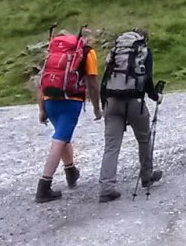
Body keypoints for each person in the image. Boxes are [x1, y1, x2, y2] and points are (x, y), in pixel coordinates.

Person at [97, 30, 165, 203]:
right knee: (144, 138)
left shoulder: (115, 52)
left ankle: (106, 188)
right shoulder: (144, 51)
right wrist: (155, 96)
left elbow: (105, 79)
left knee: (111, 146)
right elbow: (147, 79)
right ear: (144, 39)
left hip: (112, 101)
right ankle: (147, 176)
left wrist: (103, 104)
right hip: (135, 102)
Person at [35, 29, 100, 202]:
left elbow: (41, 82)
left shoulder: (53, 52)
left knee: (62, 136)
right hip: (71, 101)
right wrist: (97, 107)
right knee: (59, 139)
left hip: (49, 99)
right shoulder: (87, 52)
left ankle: (71, 171)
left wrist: (42, 109)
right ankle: (44, 186)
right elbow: (92, 83)